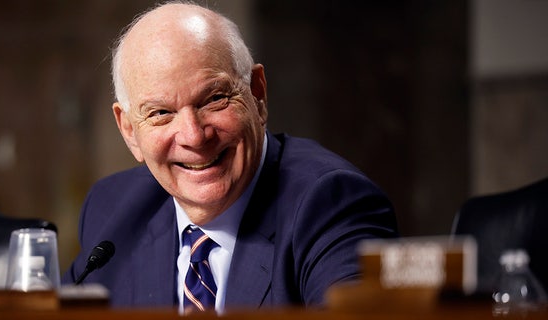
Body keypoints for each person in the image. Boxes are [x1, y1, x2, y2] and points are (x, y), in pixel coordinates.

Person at [62, 1, 398, 313]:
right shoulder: (112, 209)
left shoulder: (330, 205)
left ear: (258, 94)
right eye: (161, 112)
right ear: (129, 131)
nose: (194, 136)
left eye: (214, 99)